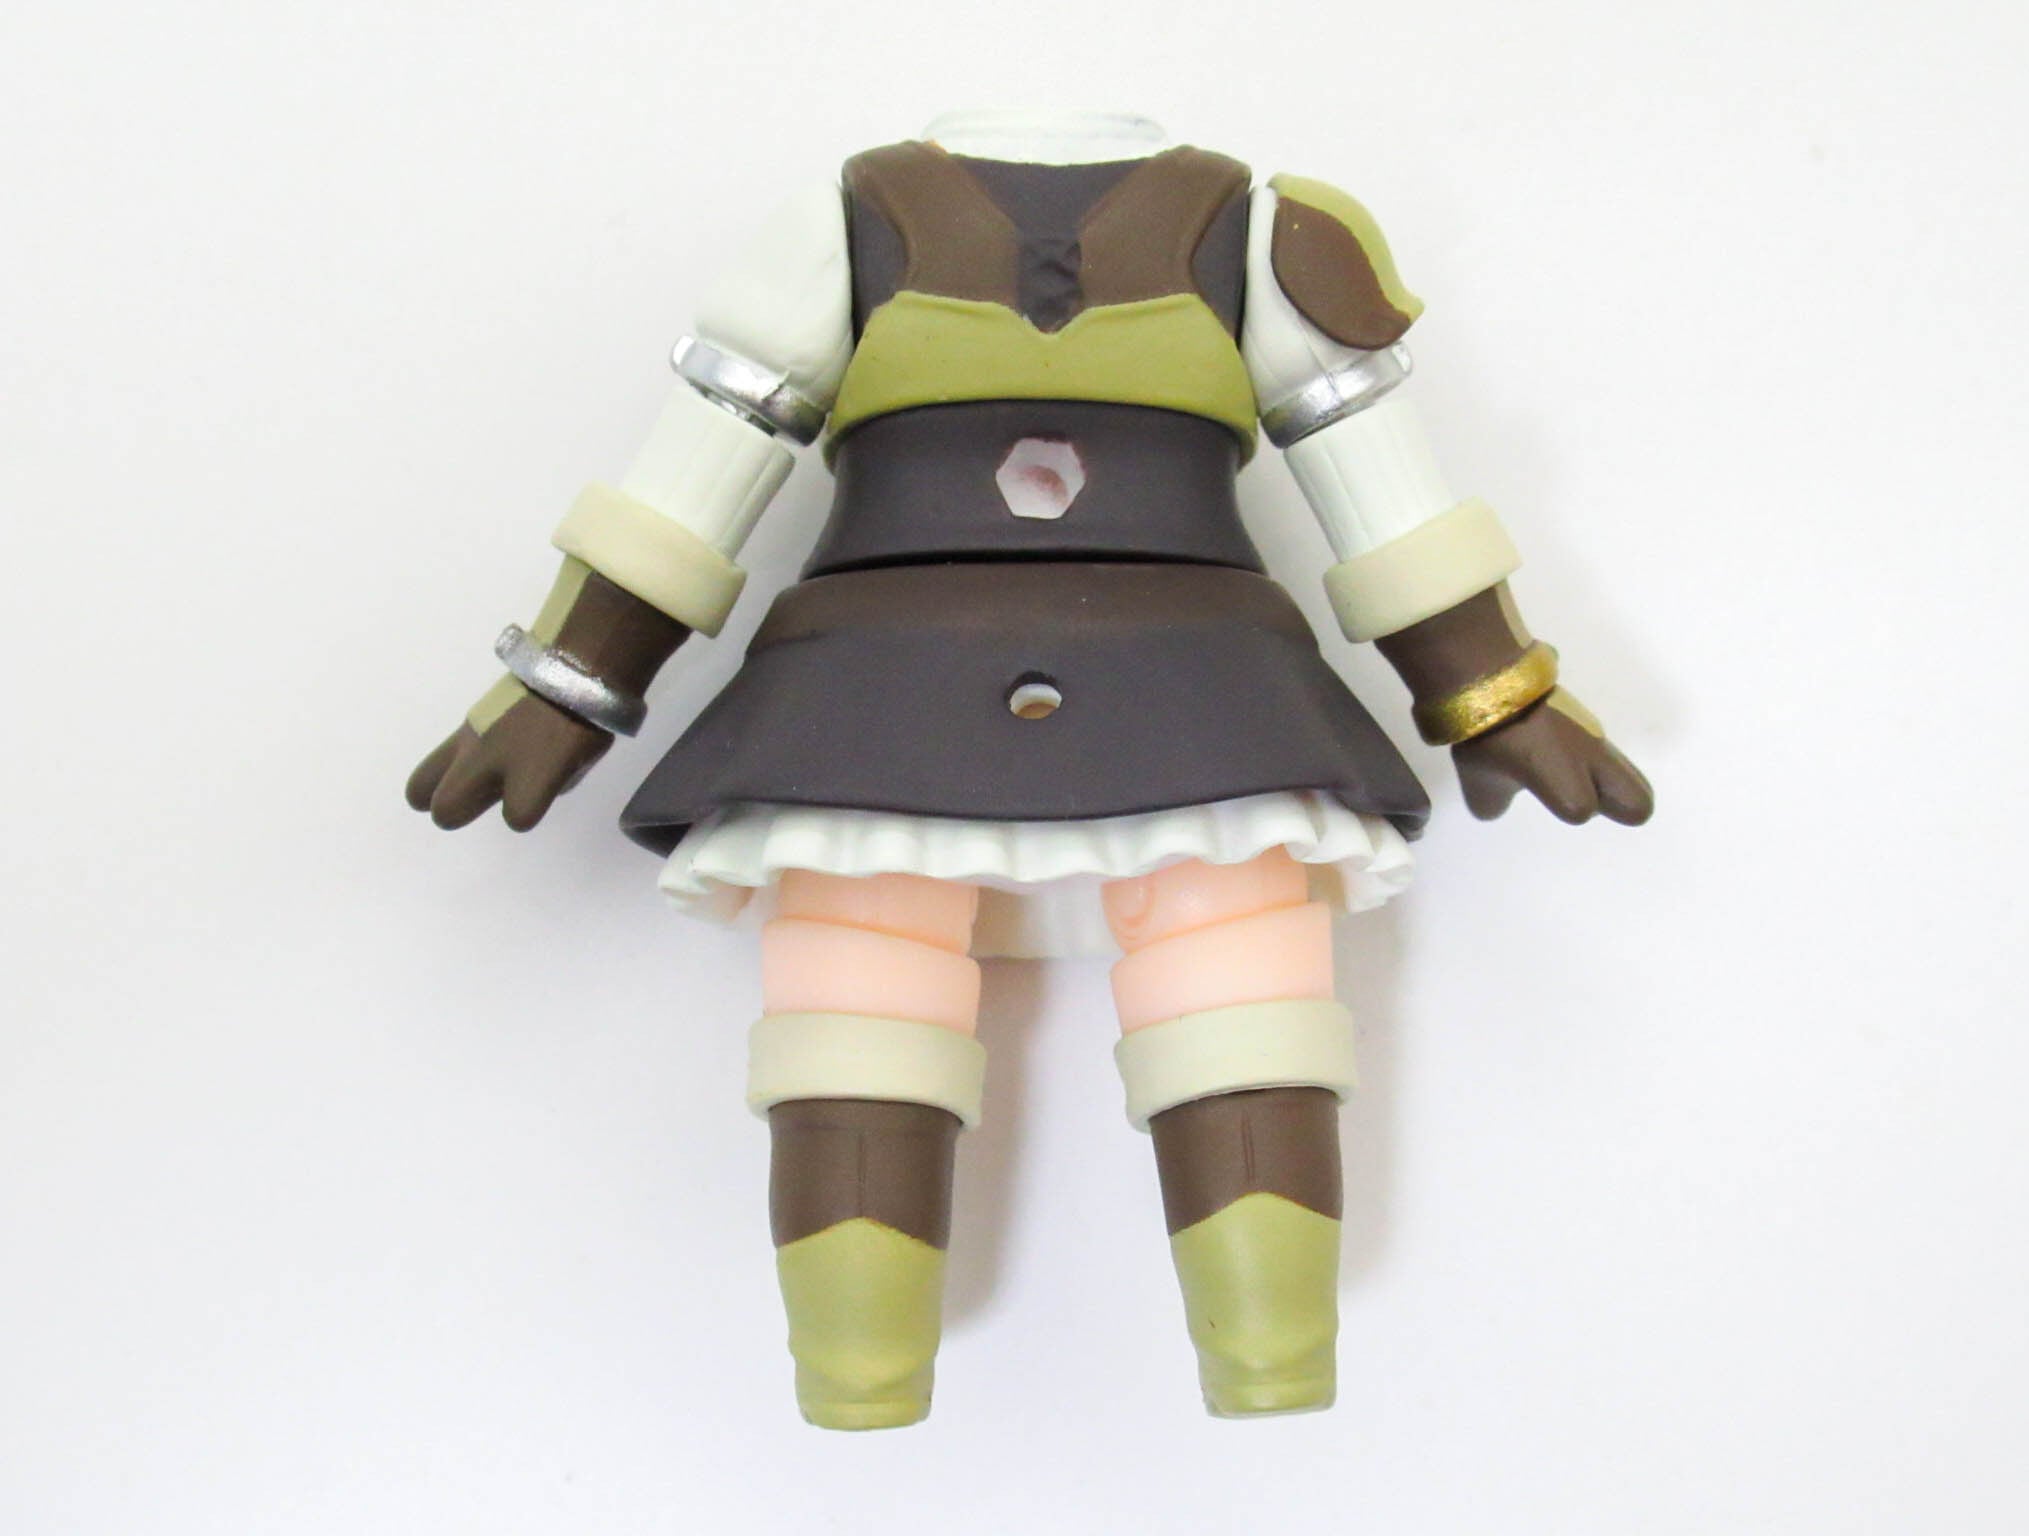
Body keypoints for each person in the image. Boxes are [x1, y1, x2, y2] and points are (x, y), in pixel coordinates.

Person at [407, 109, 1653, 1429]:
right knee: (875, 978)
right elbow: (706, 463)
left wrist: (1495, 695)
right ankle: (861, 1365)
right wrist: (567, 685)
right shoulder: (844, 230)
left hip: (1170, 679)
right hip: (915, 680)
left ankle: (1269, 1350)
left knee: (1224, 967)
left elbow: (1375, 479)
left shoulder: (1262, 237)